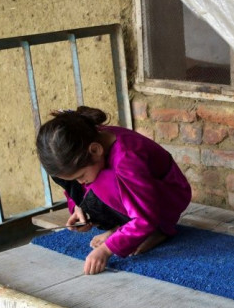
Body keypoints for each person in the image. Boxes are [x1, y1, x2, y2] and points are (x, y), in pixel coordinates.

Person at [36, 106, 192, 275]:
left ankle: (157, 231)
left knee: (102, 181)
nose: (80, 182)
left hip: (167, 200)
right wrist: (79, 207)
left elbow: (145, 217)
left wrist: (106, 250)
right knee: (73, 176)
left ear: (95, 150)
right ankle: (123, 228)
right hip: (136, 194)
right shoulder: (91, 136)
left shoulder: (126, 160)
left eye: (80, 176)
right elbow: (79, 181)